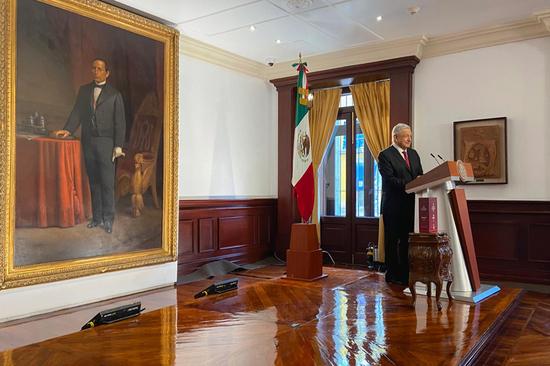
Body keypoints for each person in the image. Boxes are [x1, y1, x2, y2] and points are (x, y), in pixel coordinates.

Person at [54, 58, 126, 234]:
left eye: (100, 69)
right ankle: (97, 218)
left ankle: (108, 220)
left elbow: (120, 123)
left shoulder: (115, 95)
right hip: (88, 142)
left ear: (107, 73)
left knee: (107, 184)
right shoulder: (84, 90)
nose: (96, 71)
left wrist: (118, 146)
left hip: (107, 144)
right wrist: (67, 130)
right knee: (93, 182)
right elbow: (77, 113)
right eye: (93, 68)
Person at [378, 123, 423, 285]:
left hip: (411, 205)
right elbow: (390, 180)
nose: (409, 139)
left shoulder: (414, 154)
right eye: (406, 136)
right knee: (392, 241)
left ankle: (406, 273)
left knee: (407, 241)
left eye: (410, 136)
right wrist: (412, 182)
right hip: (393, 206)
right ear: (395, 137)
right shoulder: (385, 155)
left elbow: (420, 176)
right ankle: (392, 274)